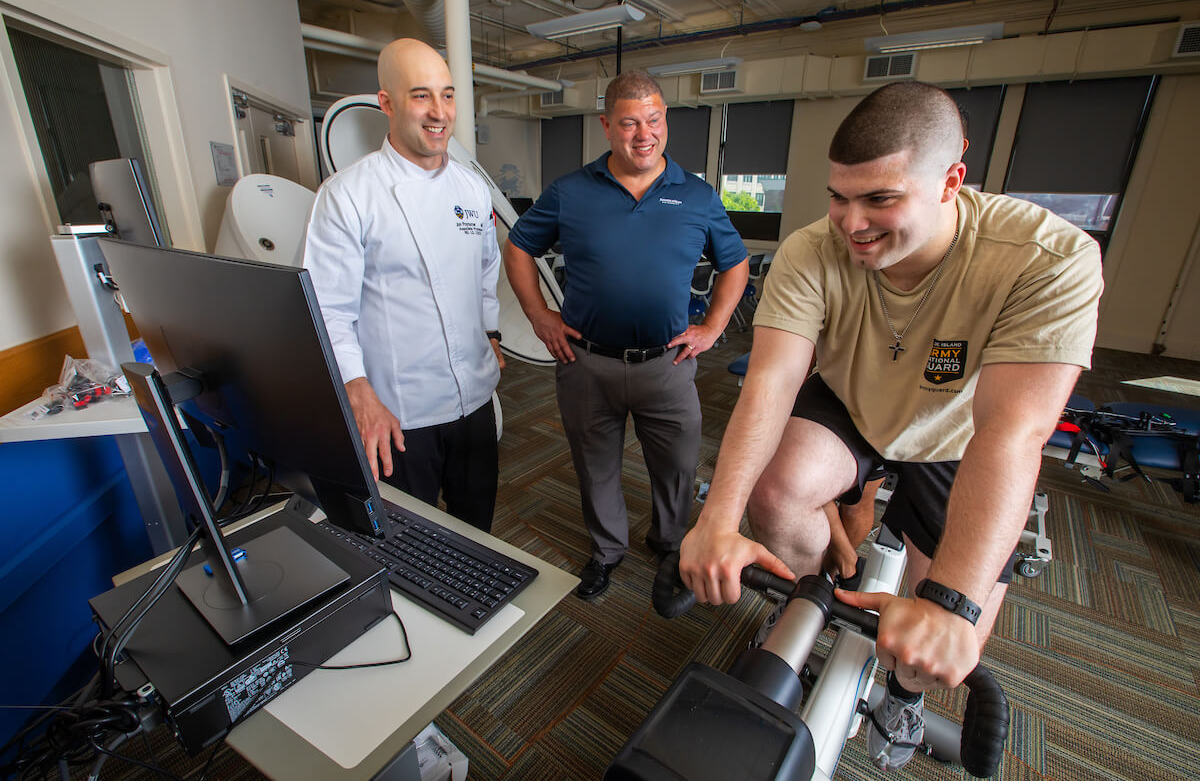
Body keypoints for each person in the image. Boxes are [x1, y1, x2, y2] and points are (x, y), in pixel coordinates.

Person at [679, 81, 1103, 770]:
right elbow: (771, 382)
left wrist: (950, 607)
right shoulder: (812, 250)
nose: (852, 224)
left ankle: (904, 696)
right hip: (853, 402)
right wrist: (719, 520)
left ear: (950, 183)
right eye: (839, 197)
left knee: (942, 640)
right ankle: (817, 596)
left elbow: (1013, 432)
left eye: (880, 199)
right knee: (776, 494)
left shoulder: (1046, 258)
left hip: (962, 431)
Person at [505, 69, 749, 601]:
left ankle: (669, 544)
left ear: (666, 121)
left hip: (669, 364)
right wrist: (538, 313)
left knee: (679, 466)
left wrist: (713, 327)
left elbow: (736, 263)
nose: (645, 134)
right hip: (586, 362)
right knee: (595, 467)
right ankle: (607, 551)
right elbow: (519, 245)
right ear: (607, 127)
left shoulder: (697, 195)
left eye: (655, 120)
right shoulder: (571, 191)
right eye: (630, 123)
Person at [303, 38, 505, 532]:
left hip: (474, 402)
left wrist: (492, 333)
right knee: (406, 544)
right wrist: (358, 392)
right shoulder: (348, 195)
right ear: (387, 103)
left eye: (448, 94)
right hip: (398, 413)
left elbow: (484, 273)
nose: (439, 113)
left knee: (478, 531)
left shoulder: (472, 188)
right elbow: (326, 310)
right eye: (421, 96)